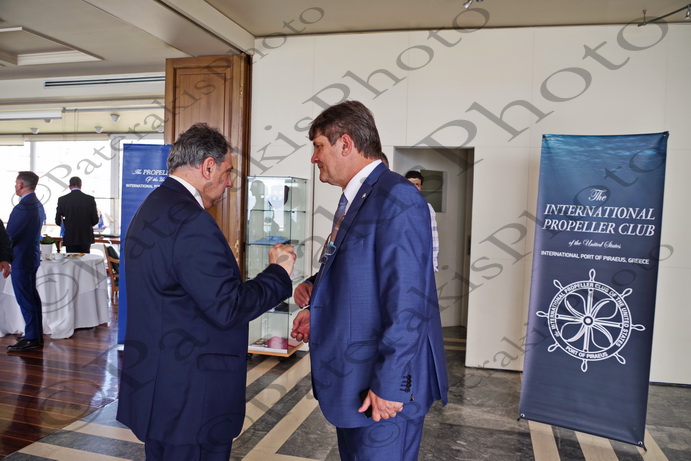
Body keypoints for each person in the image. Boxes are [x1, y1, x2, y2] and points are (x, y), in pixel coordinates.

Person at [117, 123, 296, 461]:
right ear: (208, 167)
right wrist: (278, 272)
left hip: (161, 388)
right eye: (227, 172)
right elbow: (228, 307)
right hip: (191, 397)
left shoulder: (153, 206)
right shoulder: (191, 221)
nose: (229, 182)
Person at [291, 101, 448, 461]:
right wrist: (317, 294)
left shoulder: (397, 197)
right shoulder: (362, 196)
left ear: (345, 144)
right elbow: (362, 270)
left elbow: (409, 301)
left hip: (384, 391)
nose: (314, 158)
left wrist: (390, 385)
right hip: (355, 381)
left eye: (318, 146)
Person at [6, 171, 46, 352]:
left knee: (26, 299)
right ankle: (35, 333)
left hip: (21, 259)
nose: (15, 186)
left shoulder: (23, 207)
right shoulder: (37, 204)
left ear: (21, 184)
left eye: (16, 183)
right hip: (31, 257)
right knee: (32, 298)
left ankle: (31, 338)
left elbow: (10, 237)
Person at [404, 170, 440, 272]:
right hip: (402, 258)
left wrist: (433, 264)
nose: (414, 187)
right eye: (411, 184)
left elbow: (433, 236)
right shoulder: (396, 207)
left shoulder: (428, 208)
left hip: (420, 260)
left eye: (417, 184)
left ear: (421, 187)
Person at [55, 176, 99, 253]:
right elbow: (95, 220)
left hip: (70, 236)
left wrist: (67, 225)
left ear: (69, 187)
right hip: (86, 237)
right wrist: (86, 225)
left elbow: (58, 220)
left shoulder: (62, 199)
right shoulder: (90, 199)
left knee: (71, 259)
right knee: (85, 258)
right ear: (81, 186)